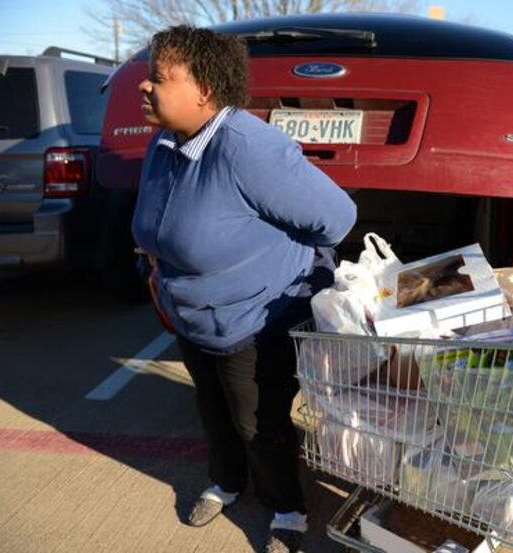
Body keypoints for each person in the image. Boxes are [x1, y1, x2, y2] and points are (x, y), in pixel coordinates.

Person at [131, 25, 357, 553]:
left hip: (256, 318)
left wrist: (279, 267)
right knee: (213, 410)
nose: (144, 88)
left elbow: (336, 218)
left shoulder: (249, 148)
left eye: (157, 79)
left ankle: (287, 509)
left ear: (204, 90)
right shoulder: (164, 141)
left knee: (259, 422)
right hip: (191, 312)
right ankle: (226, 483)